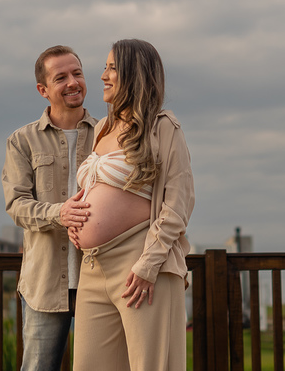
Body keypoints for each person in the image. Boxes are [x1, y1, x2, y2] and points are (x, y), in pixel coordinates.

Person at [69, 39, 195, 371]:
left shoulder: (163, 126)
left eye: (111, 67)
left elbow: (179, 202)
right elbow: (100, 187)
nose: (103, 76)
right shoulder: (102, 128)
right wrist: (74, 216)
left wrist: (148, 264)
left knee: (148, 366)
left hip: (140, 264)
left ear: (133, 73)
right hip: (93, 266)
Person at [2, 45, 99, 371]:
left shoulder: (108, 135)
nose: (73, 82)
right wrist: (59, 213)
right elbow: (16, 205)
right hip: (44, 285)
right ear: (43, 90)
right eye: (61, 77)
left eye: (77, 73)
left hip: (100, 279)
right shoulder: (22, 140)